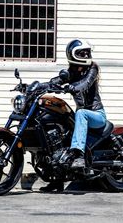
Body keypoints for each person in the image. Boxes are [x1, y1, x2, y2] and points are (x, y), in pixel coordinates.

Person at [39, 39, 107, 192]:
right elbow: (58, 80)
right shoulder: (72, 71)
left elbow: (85, 84)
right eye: (82, 53)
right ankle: (56, 180)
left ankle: (79, 156)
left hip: (96, 115)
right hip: (82, 116)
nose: (86, 55)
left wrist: (71, 87)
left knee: (81, 112)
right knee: (61, 133)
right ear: (73, 55)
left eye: (86, 52)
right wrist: (40, 85)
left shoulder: (92, 69)